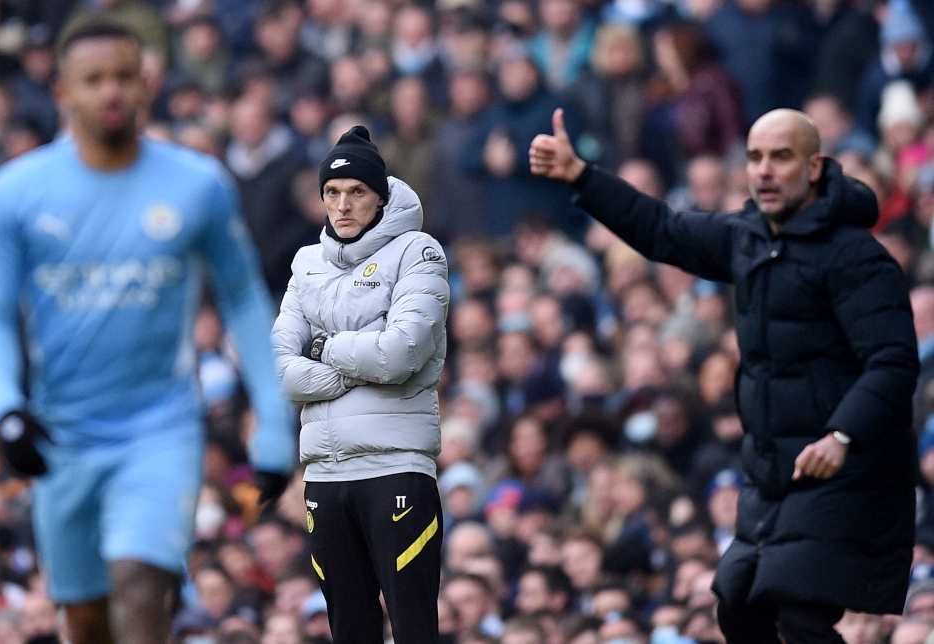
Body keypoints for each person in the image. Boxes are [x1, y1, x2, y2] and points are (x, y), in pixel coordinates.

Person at [530, 107, 918, 643]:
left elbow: (894, 362)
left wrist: (842, 434)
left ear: (814, 167)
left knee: (801, 616)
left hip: (845, 471)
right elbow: (663, 230)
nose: (763, 170)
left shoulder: (856, 258)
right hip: (774, 473)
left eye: (781, 157)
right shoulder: (747, 237)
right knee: (738, 608)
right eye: (755, 157)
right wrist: (582, 176)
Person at [0, 22, 295, 644]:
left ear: (147, 85)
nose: (111, 91)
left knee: (142, 586)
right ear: (63, 92)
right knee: (86, 621)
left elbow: (246, 302)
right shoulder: (17, 192)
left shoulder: (197, 185)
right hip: (60, 432)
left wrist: (274, 427)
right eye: (94, 80)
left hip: (160, 428)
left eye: (124, 76)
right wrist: (6, 408)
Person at [271, 125, 449, 644]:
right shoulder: (306, 263)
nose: (343, 204)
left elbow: (400, 353)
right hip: (324, 475)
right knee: (349, 631)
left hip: (396, 467)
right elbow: (279, 368)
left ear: (381, 196)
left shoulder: (419, 251)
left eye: (356, 192)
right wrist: (357, 359)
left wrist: (323, 348)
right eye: (332, 192)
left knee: (414, 628)